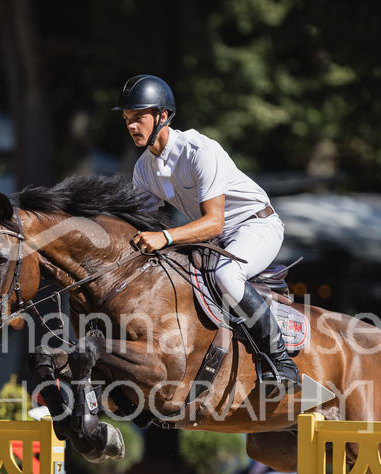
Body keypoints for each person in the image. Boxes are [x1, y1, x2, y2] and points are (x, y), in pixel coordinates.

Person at [113, 74, 301, 399]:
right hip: (213, 240)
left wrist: (165, 238)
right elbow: (144, 223)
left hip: (255, 225)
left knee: (227, 275)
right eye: (127, 119)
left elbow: (214, 222)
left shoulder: (199, 150)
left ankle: (281, 362)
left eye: (138, 117)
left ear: (163, 116)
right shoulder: (143, 168)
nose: (131, 126)